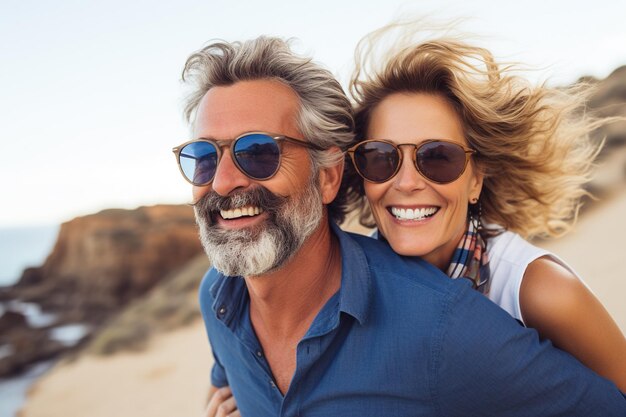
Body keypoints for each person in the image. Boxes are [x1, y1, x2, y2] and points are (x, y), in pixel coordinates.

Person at [173, 36, 626, 417]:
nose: (407, 183)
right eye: (381, 159)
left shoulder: (463, 319)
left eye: (258, 152)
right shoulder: (219, 298)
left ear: (328, 176)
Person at [343, 21, 626, 392]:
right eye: (381, 157)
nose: (407, 182)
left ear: (476, 179)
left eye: (438, 157)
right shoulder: (346, 281)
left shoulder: (539, 291)